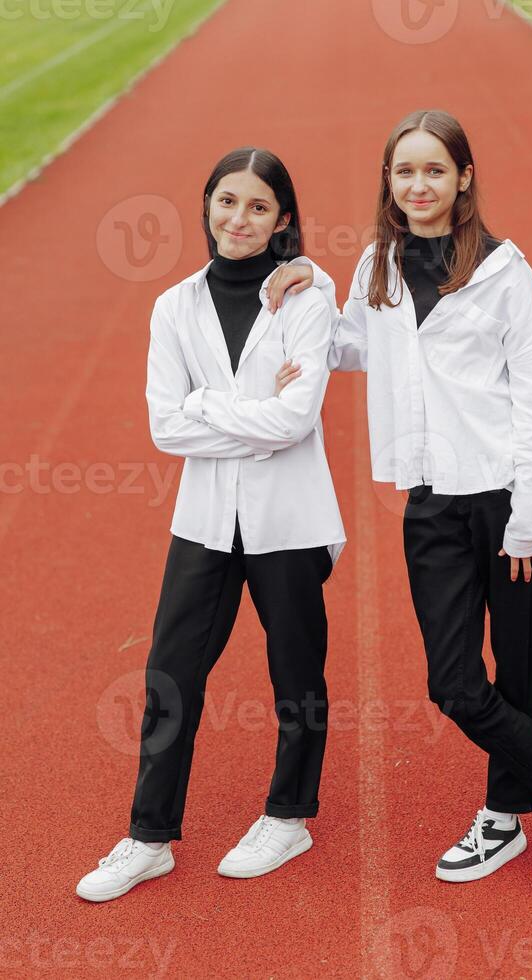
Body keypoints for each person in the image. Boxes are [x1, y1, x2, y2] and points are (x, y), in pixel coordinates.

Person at [267, 109, 532, 888]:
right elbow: (351, 343)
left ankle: (503, 821)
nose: (418, 185)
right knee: (455, 682)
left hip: (507, 504)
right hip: (431, 503)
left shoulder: (505, 273)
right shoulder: (379, 267)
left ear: (464, 178)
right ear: (388, 184)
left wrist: (531, 523)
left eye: (434, 169)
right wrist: (307, 285)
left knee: (519, 676)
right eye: (404, 171)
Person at [76, 147, 346, 902]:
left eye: (259, 207)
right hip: (204, 522)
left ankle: (290, 815)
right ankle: (148, 836)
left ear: (282, 219)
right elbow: (166, 426)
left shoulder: (307, 299)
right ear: (206, 206)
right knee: (170, 676)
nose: (239, 218)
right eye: (228, 201)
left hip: (287, 519)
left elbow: (295, 422)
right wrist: (236, 416)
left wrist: (207, 407)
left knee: (296, 673)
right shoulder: (174, 306)